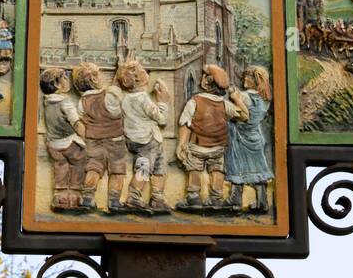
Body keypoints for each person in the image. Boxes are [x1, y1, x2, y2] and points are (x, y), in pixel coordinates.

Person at [175, 64, 249, 211]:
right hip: (218, 147)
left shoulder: (194, 101)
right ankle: (216, 198)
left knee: (194, 168)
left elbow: (185, 123)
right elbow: (244, 115)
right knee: (217, 170)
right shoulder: (224, 104)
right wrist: (237, 99)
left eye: (203, 75)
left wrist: (182, 143)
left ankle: (193, 197)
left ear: (206, 81)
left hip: (197, 146)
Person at [116, 61, 171, 215]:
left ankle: (157, 198)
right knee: (148, 168)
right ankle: (136, 197)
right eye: (144, 71)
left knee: (155, 167)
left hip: (135, 139)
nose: (147, 73)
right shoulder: (143, 98)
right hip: (149, 140)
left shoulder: (125, 99)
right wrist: (163, 102)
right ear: (139, 79)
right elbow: (162, 119)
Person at [72, 62, 126, 214]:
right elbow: (117, 108)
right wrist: (119, 71)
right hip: (115, 141)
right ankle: (114, 201)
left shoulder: (82, 102)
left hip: (93, 142)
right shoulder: (108, 96)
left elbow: (82, 119)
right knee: (117, 171)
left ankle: (88, 197)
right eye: (99, 74)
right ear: (95, 80)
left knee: (93, 168)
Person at [224, 66, 273, 213]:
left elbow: (237, 114)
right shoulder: (265, 99)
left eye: (249, 77)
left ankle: (235, 200)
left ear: (256, 81)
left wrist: (234, 98)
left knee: (238, 166)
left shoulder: (244, 96)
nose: (245, 79)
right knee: (258, 168)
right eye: (245, 76)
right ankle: (262, 202)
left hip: (240, 136)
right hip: (255, 136)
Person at [40, 66, 86, 211]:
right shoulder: (65, 102)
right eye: (65, 78)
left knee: (61, 165)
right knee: (79, 161)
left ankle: (59, 195)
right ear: (56, 84)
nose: (67, 80)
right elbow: (76, 123)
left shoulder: (47, 101)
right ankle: (75, 194)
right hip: (68, 142)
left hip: (53, 144)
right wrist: (86, 134)